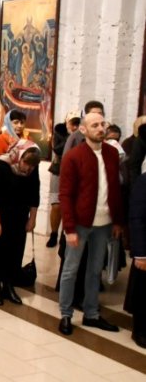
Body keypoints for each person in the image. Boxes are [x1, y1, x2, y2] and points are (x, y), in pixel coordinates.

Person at [56, 112, 123, 335]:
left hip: (105, 223)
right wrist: (69, 228)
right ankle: (66, 314)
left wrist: (117, 220)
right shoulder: (74, 156)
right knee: (70, 270)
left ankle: (91, 313)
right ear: (83, 130)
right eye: (95, 125)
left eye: (103, 124)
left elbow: (115, 188)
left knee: (95, 271)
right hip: (81, 223)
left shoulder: (112, 153)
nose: (101, 128)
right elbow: (65, 194)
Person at [0, 141, 40, 306]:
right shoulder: (0, 165)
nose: (28, 169)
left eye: (32, 166)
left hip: (17, 216)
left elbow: (34, 193)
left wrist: (32, 218)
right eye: (25, 163)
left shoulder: (32, 169)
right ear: (19, 156)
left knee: (13, 250)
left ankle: (8, 285)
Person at [46, 112, 81, 247]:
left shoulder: (82, 135)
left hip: (76, 172)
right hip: (59, 169)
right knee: (56, 204)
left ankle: (64, 235)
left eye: (77, 123)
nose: (75, 126)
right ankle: (54, 233)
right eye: (73, 123)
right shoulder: (59, 131)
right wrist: (70, 137)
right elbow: (57, 149)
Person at [126, 172, 146, 347]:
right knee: (142, 292)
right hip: (145, 250)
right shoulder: (144, 181)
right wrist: (140, 253)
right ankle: (139, 330)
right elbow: (136, 218)